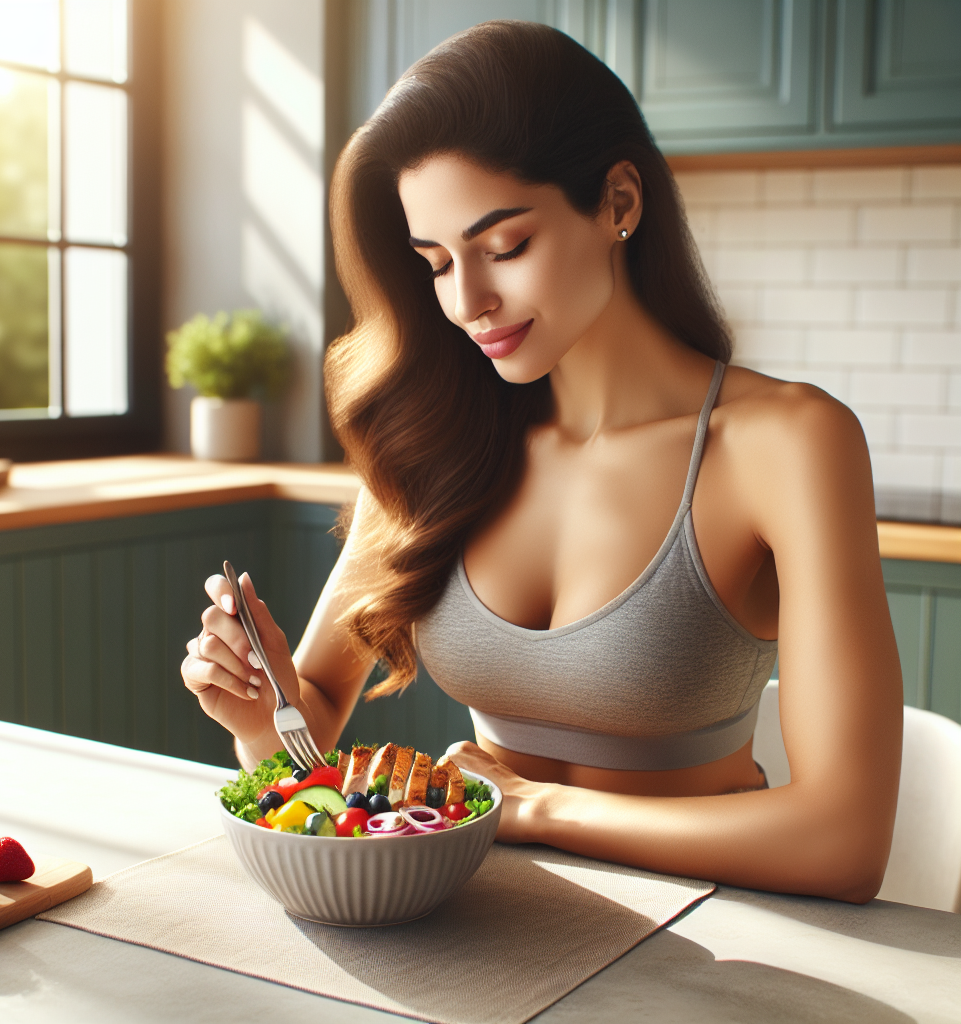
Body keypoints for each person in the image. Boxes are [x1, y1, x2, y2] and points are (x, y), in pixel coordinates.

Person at [181, 21, 902, 902]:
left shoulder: (788, 443)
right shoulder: (432, 439)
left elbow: (843, 841)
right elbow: (314, 741)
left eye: (505, 247)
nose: (468, 302)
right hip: (483, 921)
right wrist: (264, 719)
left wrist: (533, 808)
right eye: (437, 263)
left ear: (619, 204)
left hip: (717, 937)